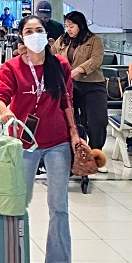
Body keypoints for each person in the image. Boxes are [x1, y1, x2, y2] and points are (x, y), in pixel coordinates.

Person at [0, 14, 85, 263]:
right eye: (29, 31)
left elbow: (67, 100)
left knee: (59, 207)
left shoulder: (61, 65)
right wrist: (6, 113)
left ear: (48, 36)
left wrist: (74, 133)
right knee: (16, 206)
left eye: (39, 30)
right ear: (21, 37)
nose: (34, 34)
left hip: (57, 142)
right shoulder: (12, 67)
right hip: (23, 143)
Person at [53, 11, 107, 170]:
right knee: (72, 121)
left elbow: (96, 60)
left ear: (80, 25)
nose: (69, 29)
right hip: (69, 86)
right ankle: (75, 154)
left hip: (92, 85)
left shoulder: (94, 41)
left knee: (97, 120)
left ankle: (97, 154)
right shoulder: (62, 40)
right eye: (67, 26)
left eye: (72, 26)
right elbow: (53, 55)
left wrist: (79, 70)